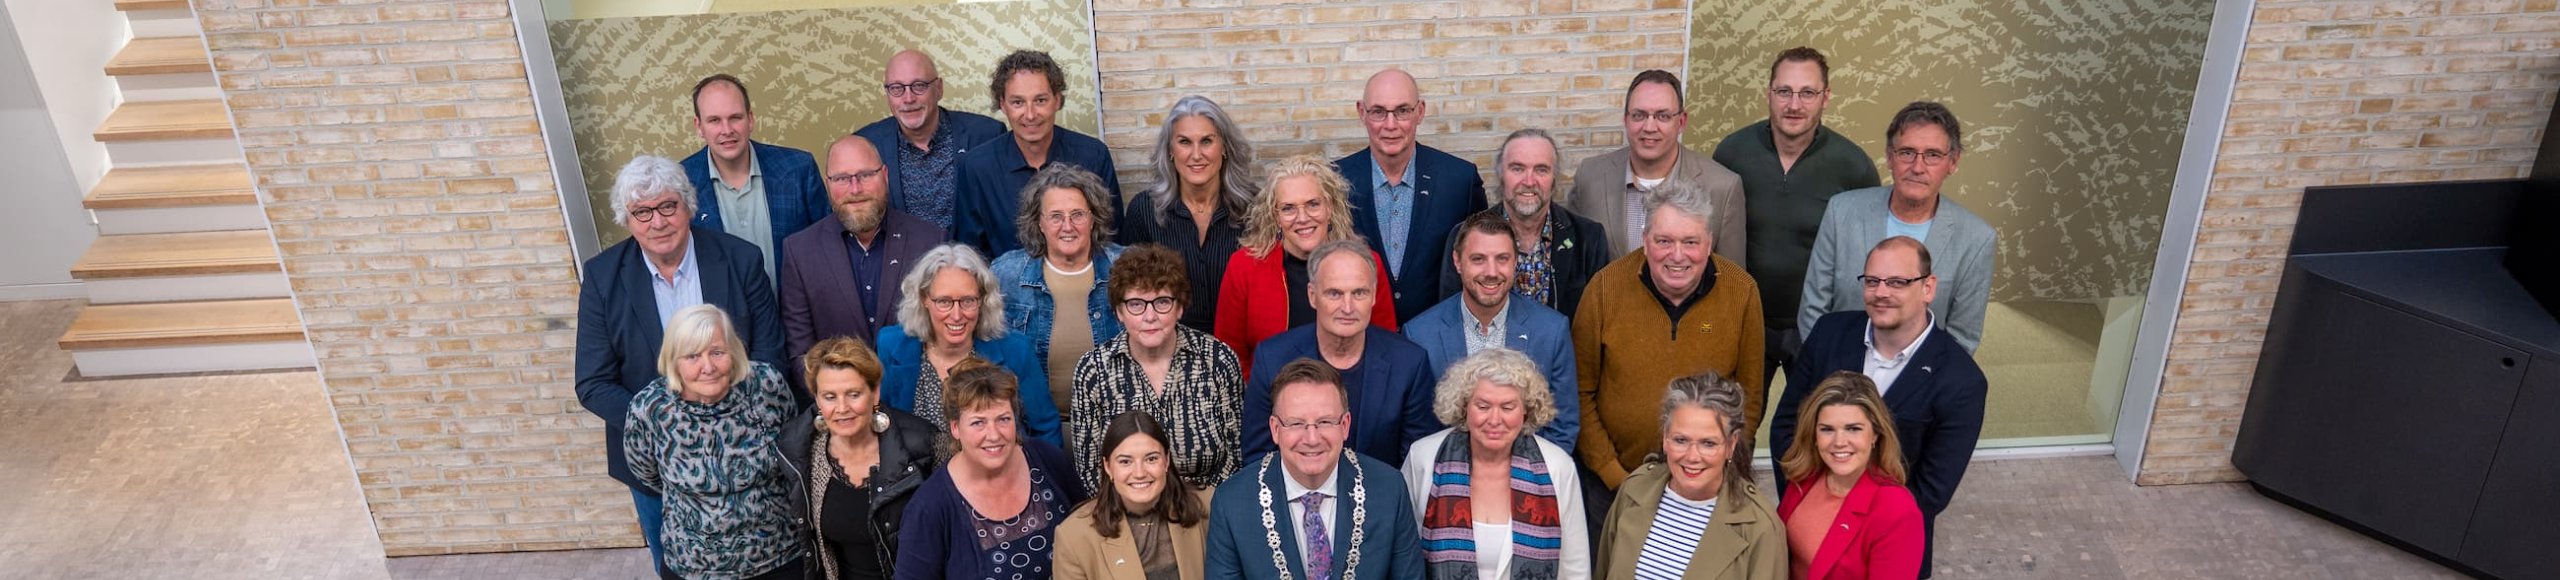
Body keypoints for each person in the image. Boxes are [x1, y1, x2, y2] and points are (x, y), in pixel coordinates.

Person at [574, 155, 784, 572]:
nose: (658, 222)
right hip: (655, 466)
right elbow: (592, 382)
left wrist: (731, 424)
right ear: (627, 220)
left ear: (688, 205)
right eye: (642, 212)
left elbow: (769, 357)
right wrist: (662, 427)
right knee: (674, 567)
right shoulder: (602, 277)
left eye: (668, 206)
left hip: (745, 456)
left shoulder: (740, 259)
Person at [1774, 237, 1986, 578]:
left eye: (1898, 282)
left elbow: (1932, 490)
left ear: (1928, 288)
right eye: (1872, 281)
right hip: (1805, 523)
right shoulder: (1829, 333)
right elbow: (1787, 425)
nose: (1881, 292)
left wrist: (1855, 527)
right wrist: (1805, 497)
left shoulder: (1961, 380)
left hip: (1886, 546)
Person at [1574, 181, 1765, 493]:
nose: (1677, 256)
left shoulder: (1742, 292)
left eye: (1691, 242)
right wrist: (1612, 473)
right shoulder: (1604, 289)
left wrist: (1723, 466)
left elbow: (1750, 396)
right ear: (1645, 240)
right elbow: (1579, 391)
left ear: (1709, 243)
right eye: (1664, 241)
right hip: (1614, 486)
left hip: (1708, 484)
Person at [1710, 47, 1882, 384]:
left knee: (1815, 415)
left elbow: (1868, 257)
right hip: (1745, 321)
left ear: (1825, 97)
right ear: (1769, 94)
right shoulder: (1732, 153)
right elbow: (1710, 237)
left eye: (1807, 93)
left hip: (1818, 326)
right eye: (1784, 91)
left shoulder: (1854, 167)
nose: (1794, 104)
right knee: (1734, 414)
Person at [624, 304, 805, 579]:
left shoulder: (766, 385)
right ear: (673, 361)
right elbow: (648, 474)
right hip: (695, 566)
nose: (707, 367)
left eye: (717, 352)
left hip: (780, 556)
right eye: (692, 356)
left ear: (734, 351)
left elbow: (792, 451)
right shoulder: (650, 409)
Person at [1799, 101, 1996, 353]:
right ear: (1890, 157)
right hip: (1838, 368)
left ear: (1953, 162)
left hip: (1922, 376)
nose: (1917, 167)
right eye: (1906, 152)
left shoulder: (1977, 239)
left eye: (1933, 155)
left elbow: (1962, 339)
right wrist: (1829, 369)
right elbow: (1813, 308)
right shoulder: (1841, 211)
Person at [1203, 360, 1425, 580]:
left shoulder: (1389, 489)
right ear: (1275, 429)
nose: (1312, 439)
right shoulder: (1232, 502)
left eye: (1325, 422)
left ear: (1345, 425)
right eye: (1296, 423)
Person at [1241, 238, 1438, 467]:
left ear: (1374, 295)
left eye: (1359, 293)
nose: (1347, 307)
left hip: (1382, 489)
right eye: (1334, 293)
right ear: (1312, 295)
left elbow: (1416, 463)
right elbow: (1258, 459)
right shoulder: (1272, 359)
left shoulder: (1409, 364)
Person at [1398, 348, 1591, 580]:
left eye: (1508, 407)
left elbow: (1575, 567)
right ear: (1464, 406)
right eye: (1483, 406)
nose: (1495, 420)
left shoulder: (1557, 466)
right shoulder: (1424, 457)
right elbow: (1402, 557)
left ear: (1526, 410)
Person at [893, 360, 1092, 580]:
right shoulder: (929, 507)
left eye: (1003, 419)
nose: (994, 434)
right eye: (978, 423)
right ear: (955, 428)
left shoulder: (1048, 460)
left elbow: (1090, 537)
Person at [1068, 245, 1246, 491]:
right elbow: (1089, 470)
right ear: (1119, 311)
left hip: (1206, 501)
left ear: (1180, 307)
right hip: (1124, 503)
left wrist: (1205, 506)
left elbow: (1235, 456)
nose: (1150, 316)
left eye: (1162, 302)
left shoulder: (1217, 359)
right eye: (1136, 304)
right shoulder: (1093, 370)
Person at [1405, 212, 1580, 452]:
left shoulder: (1552, 331)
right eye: (1478, 259)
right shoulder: (1420, 335)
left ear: (1515, 261)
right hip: (1447, 471)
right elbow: (1418, 433)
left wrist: (1524, 472)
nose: (1491, 271)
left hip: (1529, 471)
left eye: (1502, 259)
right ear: (1457, 261)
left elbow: (1563, 427)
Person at [1592, 370, 1786, 580]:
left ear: (1731, 444)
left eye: (1708, 443)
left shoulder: (1760, 527)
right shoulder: (1635, 489)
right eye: (1681, 440)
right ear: (1665, 437)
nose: (1693, 457)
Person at [1214, 154, 1400, 370]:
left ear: (1330, 207)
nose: (1302, 218)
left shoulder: (1365, 264)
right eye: (1288, 208)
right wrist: (1261, 388)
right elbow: (1230, 355)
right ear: (1275, 216)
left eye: (1313, 204)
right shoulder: (1244, 267)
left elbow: (1385, 346)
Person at [783, 337, 942, 580]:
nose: (842, 408)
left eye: (853, 394)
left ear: (874, 393)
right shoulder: (802, 452)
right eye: (829, 396)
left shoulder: (924, 443)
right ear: (816, 399)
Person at [1337, 68, 1487, 326]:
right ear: (1362, 112)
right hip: (1360, 335)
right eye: (1378, 112)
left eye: (1403, 111)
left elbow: (1481, 257)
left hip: (1438, 336)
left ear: (1420, 111)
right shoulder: (1335, 181)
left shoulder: (1459, 180)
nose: (1390, 125)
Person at [875, 244, 1064, 446]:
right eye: (944, 302)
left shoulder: (1015, 350)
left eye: (967, 301)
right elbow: (879, 424)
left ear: (982, 300)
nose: (957, 315)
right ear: (924, 299)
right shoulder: (891, 345)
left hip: (998, 464)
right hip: (913, 466)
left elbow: (1046, 429)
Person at [780, 136, 946, 365]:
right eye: (842, 179)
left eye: (866, 175)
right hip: (835, 388)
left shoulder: (930, 242)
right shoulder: (800, 251)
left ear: (885, 175)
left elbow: (944, 340)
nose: (855, 189)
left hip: (914, 387)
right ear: (828, 184)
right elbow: (800, 355)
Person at [993, 164, 1128, 427]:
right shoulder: (1005, 275)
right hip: (1033, 430)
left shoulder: (1126, 268)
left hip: (1114, 427)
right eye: (1055, 216)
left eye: (1077, 214)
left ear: (1093, 218)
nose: (1068, 226)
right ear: (1039, 222)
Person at [955, 50, 1123, 257]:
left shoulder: (1094, 156)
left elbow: (1112, 241)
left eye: (1040, 100)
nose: (1030, 114)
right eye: (1018, 102)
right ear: (1002, 105)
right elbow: (970, 253)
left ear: (1057, 100)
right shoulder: (976, 167)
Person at [1568, 70, 1745, 265]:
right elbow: (1574, 263)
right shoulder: (1590, 177)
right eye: (1639, 115)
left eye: (1663, 116)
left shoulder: (1722, 188)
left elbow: (1731, 277)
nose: (1649, 127)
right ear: (1625, 120)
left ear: (1681, 122)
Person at [1439, 129, 1612, 317]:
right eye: (1518, 169)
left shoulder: (1588, 239)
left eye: (1541, 170)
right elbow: (1450, 315)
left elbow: (1599, 317)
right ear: (1501, 175)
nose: (1529, 181)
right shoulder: (1464, 236)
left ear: (1554, 178)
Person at [1118, 96, 1255, 333]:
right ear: (1170, 150)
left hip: (1242, 342)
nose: (1196, 154)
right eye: (1184, 142)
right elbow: (1131, 292)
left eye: (1206, 141)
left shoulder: (1254, 207)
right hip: (1168, 344)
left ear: (1224, 147)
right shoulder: (1144, 210)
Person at [681, 74, 832, 279]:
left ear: (750, 119)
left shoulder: (798, 169)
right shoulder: (681, 182)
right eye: (714, 120)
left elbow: (828, 245)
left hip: (795, 300)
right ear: (699, 126)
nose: (727, 130)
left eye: (735, 117)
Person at [1776, 372, 1924, 580]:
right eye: (1827, 429)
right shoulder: (1804, 476)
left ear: (1875, 434)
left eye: (1853, 429)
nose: (1839, 442)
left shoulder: (1897, 510)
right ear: (1814, 435)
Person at [855, 49, 1009, 230]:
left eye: (919, 86)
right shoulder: (865, 145)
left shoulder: (987, 135)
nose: (908, 98)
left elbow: (1006, 212)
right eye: (897, 88)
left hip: (971, 248)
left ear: (939, 88)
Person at [1056, 411, 1215, 580]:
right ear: (1108, 467)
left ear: (1167, 460)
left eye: (1151, 459)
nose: (1139, 473)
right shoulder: (1073, 537)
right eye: (1125, 461)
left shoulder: (1209, 506)